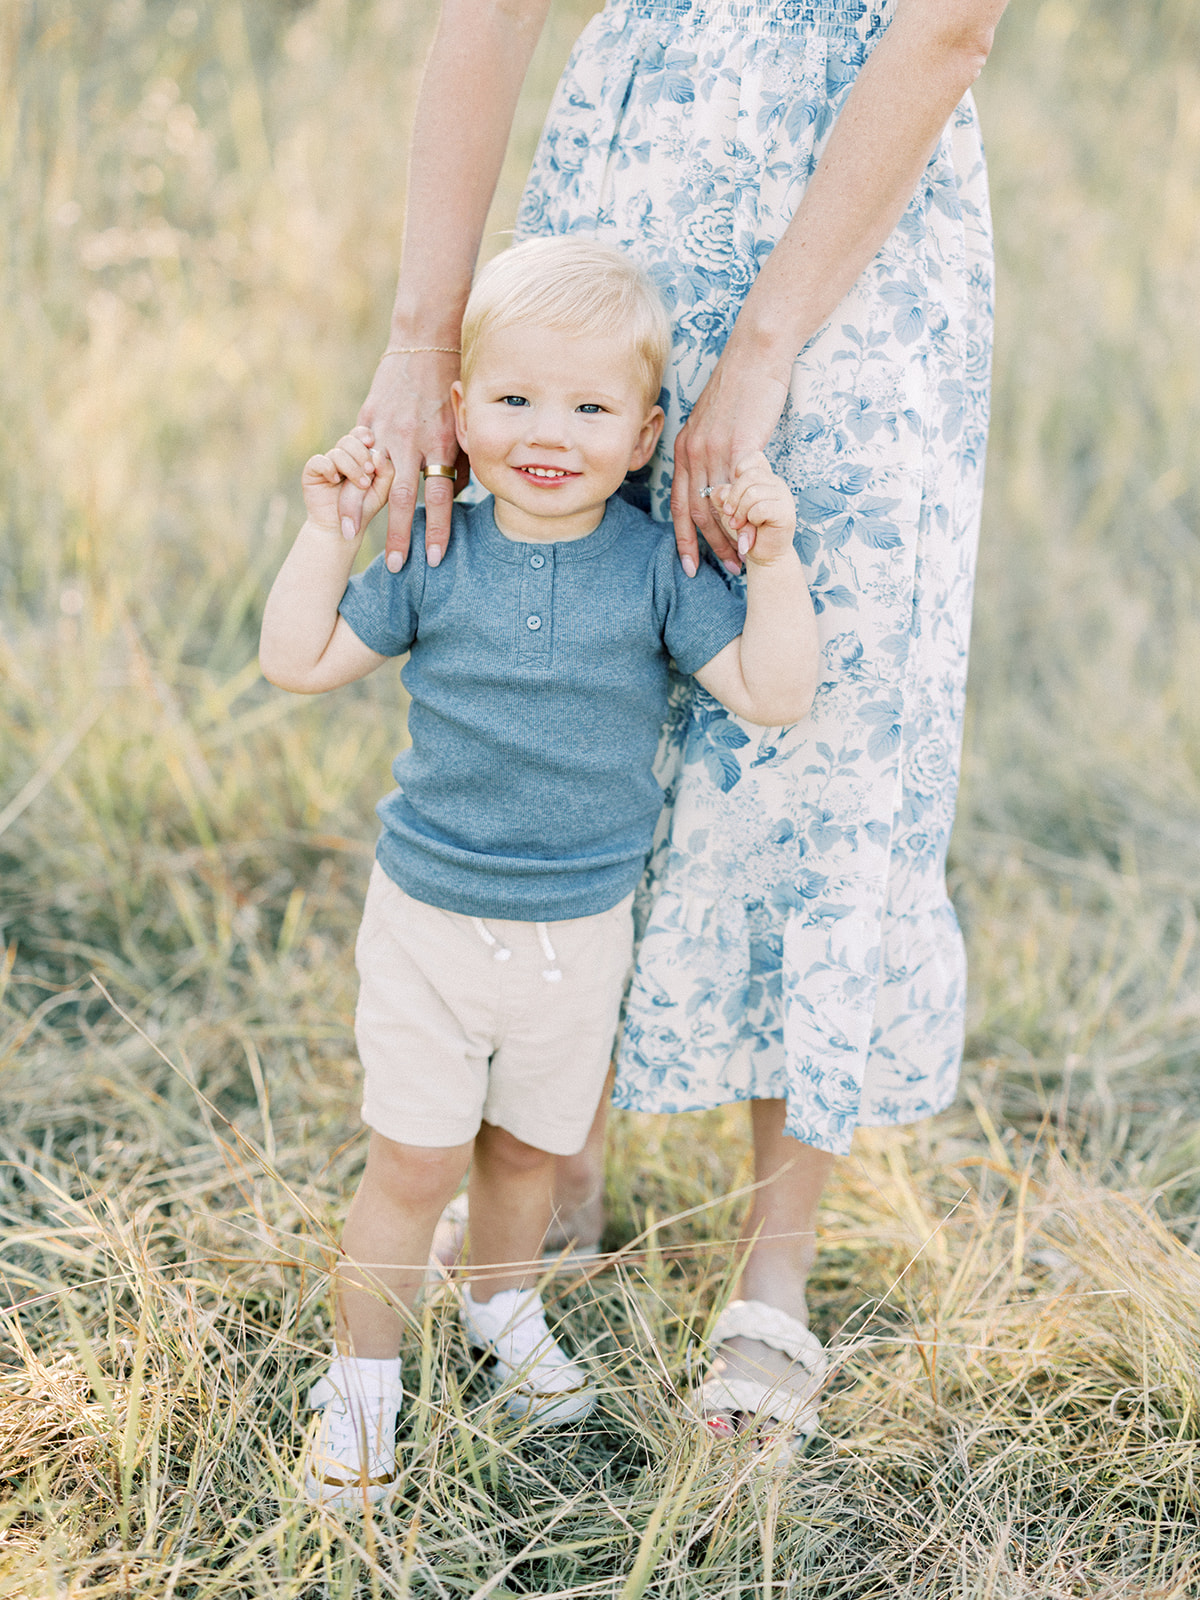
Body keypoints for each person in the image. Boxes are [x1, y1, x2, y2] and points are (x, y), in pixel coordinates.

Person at [345, 0, 1006, 1445]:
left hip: (853, 237)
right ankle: (553, 1160)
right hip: (628, 193)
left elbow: (948, 24)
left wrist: (767, 347)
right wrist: (418, 339)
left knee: (816, 717)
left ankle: (776, 1266)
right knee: (585, 662)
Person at [259, 238, 819, 1506]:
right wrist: (322, 531)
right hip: (433, 924)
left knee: (527, 1154)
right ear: (459, 413)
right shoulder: (434, 553)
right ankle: (361, 1379)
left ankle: (504, 1308)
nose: (547, 431)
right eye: (513, 399)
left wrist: (773, 562)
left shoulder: (659, 570)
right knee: (413, 1164)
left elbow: (776, 696)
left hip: (581, 932)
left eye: (588, 406)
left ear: (645, 435)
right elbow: (297, 660)